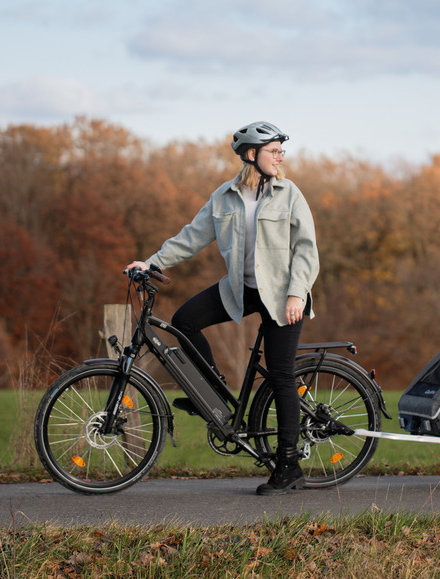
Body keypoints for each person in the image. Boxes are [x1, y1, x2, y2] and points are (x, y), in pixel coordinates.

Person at [126, 121, 320, 495]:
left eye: (282, 150)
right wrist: (151, 263)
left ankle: (289, 465)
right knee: (185, 320)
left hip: (283, 296)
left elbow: (306, 250)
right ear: (252, 155)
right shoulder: (225, 197)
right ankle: (210, 393)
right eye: (273, 150)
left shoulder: (289, 193)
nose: (281, 156)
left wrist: (298, 293)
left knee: (280, 376)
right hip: (241, 289)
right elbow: (191, 237)